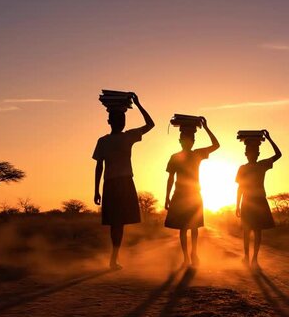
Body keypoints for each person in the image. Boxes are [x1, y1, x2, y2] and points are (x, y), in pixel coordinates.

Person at [93, 93, 154, 270]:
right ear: (110, 121)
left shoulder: (128, 136)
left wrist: (138, 103)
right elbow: (99, 167)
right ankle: (114, 258)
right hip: (113, 184)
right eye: (118, 117)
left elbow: (151, 124)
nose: (122, 121)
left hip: (122, 183)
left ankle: (114, 258)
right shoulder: (104, 141)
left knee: (118, 224)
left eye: (123, 117)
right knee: (115, 224)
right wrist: (96, 190)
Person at [164, 117, 219, 267]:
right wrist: (167, 197)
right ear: (180, 140)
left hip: (193, 195)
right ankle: (187, 257)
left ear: (193, 141)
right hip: (182, 195)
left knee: (193, 227)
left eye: (191, 138)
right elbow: (170, 178)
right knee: (184, 228)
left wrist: (206, 127)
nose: (189, 141)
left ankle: (193, 254)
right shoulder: (177, 157)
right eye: (185, 138)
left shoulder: (197, 154)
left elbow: (216, 145)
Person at [236, 130, 282, 269]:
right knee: (247, 231)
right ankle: (247, 257)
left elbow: (278, 154)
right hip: (248, 202)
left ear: (258, 154)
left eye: (255, 152)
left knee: (256, 231)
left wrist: (269, 138)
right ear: (246, 154)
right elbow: (240, 188)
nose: (252, 154)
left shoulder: (262, 164)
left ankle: (254, 258)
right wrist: (237, 205)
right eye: (250, 152)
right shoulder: (243, 168)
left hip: (258, 202)